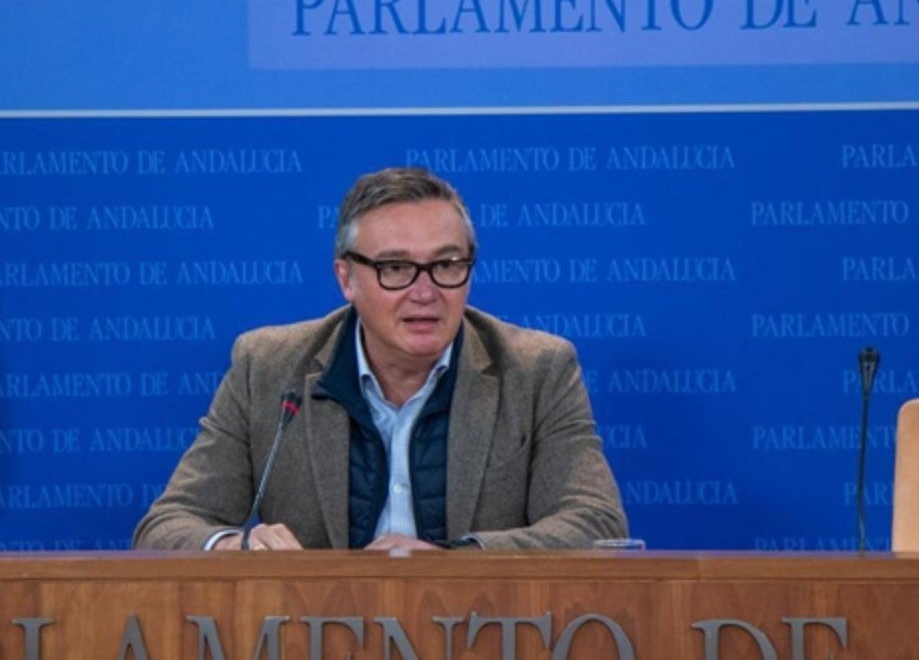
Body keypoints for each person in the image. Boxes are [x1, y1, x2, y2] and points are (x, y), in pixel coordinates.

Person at [132, 167, 627, 550]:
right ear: (346, 279)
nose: (426, 291)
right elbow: (165, 526)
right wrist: (233, 546)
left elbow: (596, 524)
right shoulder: (268, 367)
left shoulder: (537, 369)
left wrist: (458, 558)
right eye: (396, 268)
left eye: (447, 265)